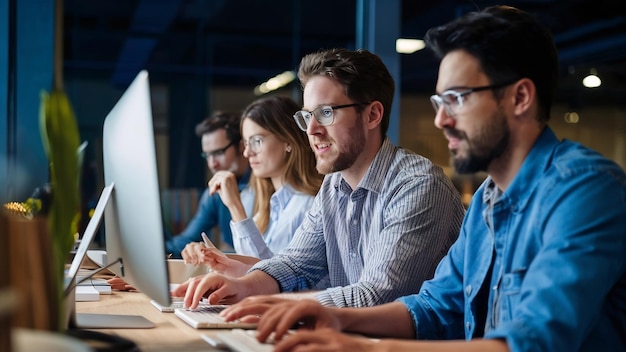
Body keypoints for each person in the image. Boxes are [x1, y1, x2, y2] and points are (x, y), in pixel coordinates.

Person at [219, 5, 626, 352]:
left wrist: (358, 343)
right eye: (439, 100)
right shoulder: (488, 197)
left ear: (520, 97)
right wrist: (331, 318)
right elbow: (432, 306)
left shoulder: (586, 188)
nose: (440, 119)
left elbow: (532, 342)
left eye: (458, 99)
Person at [172, 48, 466, 309]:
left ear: (373, 115)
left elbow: (376, 297)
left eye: (326, 113)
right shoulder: (334, 185)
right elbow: (295, 264)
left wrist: (265, 301)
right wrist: (242, 287)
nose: (311, 129)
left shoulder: (417, 186)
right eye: (307, 116)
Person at [180, 95, 324, 277]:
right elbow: (249, 270)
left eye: (256, 141)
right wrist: (211, 255)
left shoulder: (310, 207)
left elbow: (270, 278)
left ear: (287, 140)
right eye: (246, 143)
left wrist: (236, 208)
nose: (247, 153)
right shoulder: (264, 205)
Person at [164, 111, 252, 258]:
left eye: (218, 152)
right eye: (207, 155)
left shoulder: (266, 185)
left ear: (241, 146)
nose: (212, 164)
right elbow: (184, 242)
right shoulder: (215, 193)